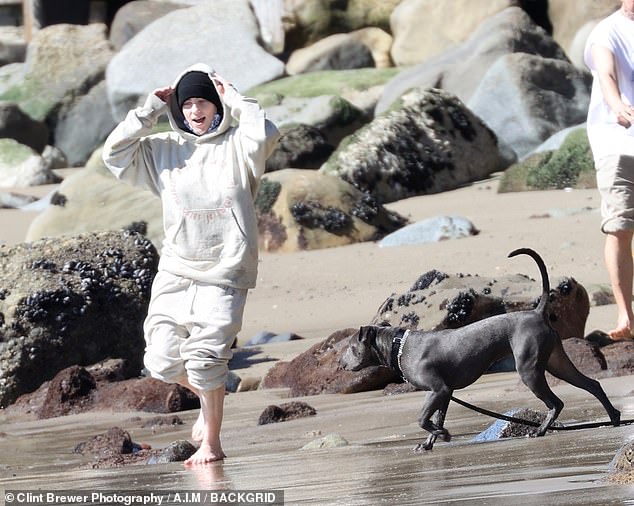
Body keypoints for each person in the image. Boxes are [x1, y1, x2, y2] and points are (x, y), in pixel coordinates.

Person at [102, 63, 280, 465]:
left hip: (227, 269)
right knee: (161, 359)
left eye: (203, 102)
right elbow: (113, 154)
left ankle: (212, 444)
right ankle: (207, 394)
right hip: (177, 267)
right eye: (187, 104)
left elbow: (264, 131)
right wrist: (147, 110)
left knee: (204, 359)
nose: (195, 111)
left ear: (216, 104)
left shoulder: (240, 144)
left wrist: (235, 98)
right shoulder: (163, 148)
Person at [584, 0, 634, 340]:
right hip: (618, 144)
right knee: (620, 226)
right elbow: (607, 74)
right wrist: (618, 106)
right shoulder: (607, 31)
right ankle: (626, 318)